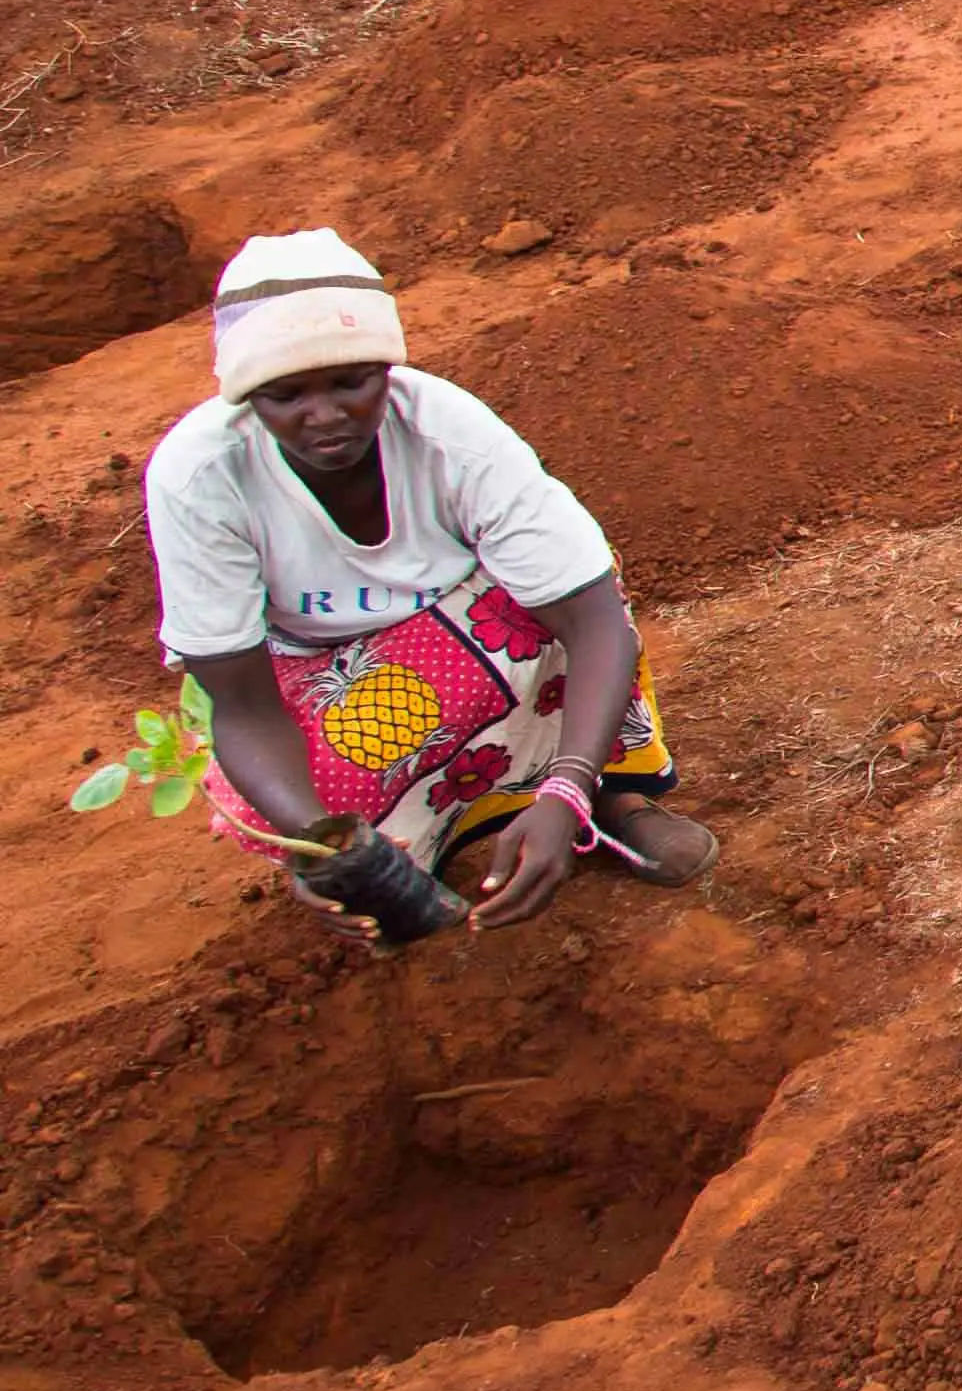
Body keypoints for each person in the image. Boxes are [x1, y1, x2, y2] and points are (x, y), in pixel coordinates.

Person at [143, 232, 716, 947]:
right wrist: (321, 845)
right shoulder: (200, 478)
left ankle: (602, 797)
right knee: (303, 791)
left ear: (387, 369)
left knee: (562, 589)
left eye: (350, 382)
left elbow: (594, 619)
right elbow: (242, 703)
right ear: (249, 398)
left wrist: (565, 790)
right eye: (286, 396)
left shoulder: (450, 433)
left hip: (473, 627)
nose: (324, 416)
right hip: (315, 672)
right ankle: (378, 864)